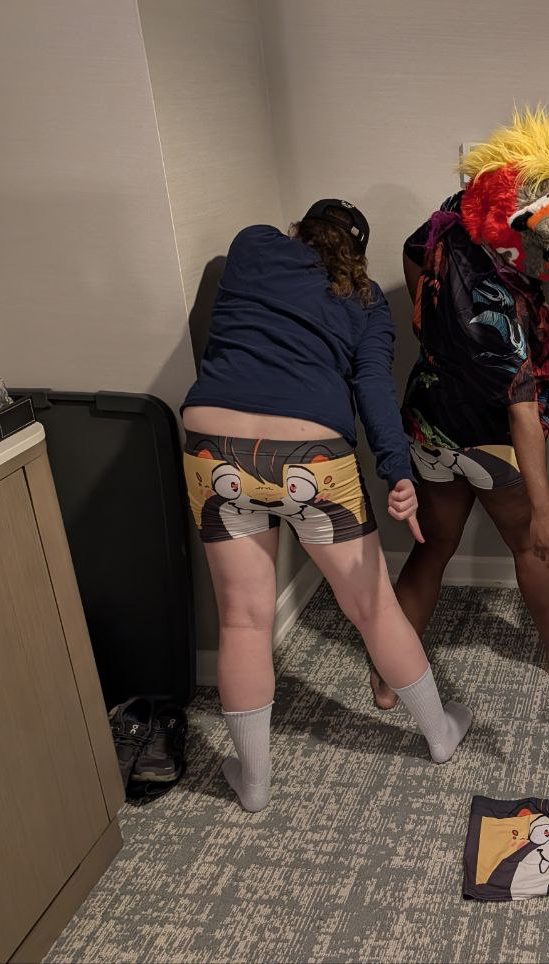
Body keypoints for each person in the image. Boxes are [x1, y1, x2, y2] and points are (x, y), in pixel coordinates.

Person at [368, 106, 549, 708]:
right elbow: (522, 413)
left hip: (429, 425)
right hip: (492, 443)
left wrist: (434, 325)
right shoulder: (499, 318)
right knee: (530, 546)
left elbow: (412, 250)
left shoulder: (452, 222)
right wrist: (546, 513)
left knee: (433, 547)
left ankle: (386, 678)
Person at [182, 199, 472, 812]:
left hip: (215, 450)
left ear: (300, 229)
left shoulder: (253, 244)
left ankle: (254, 783)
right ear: (357, 257)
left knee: (242, 621)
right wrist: (398, 473)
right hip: (311, 461)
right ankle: (439, 734)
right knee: (373, 607)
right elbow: (373, 388)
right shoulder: (366, 302)